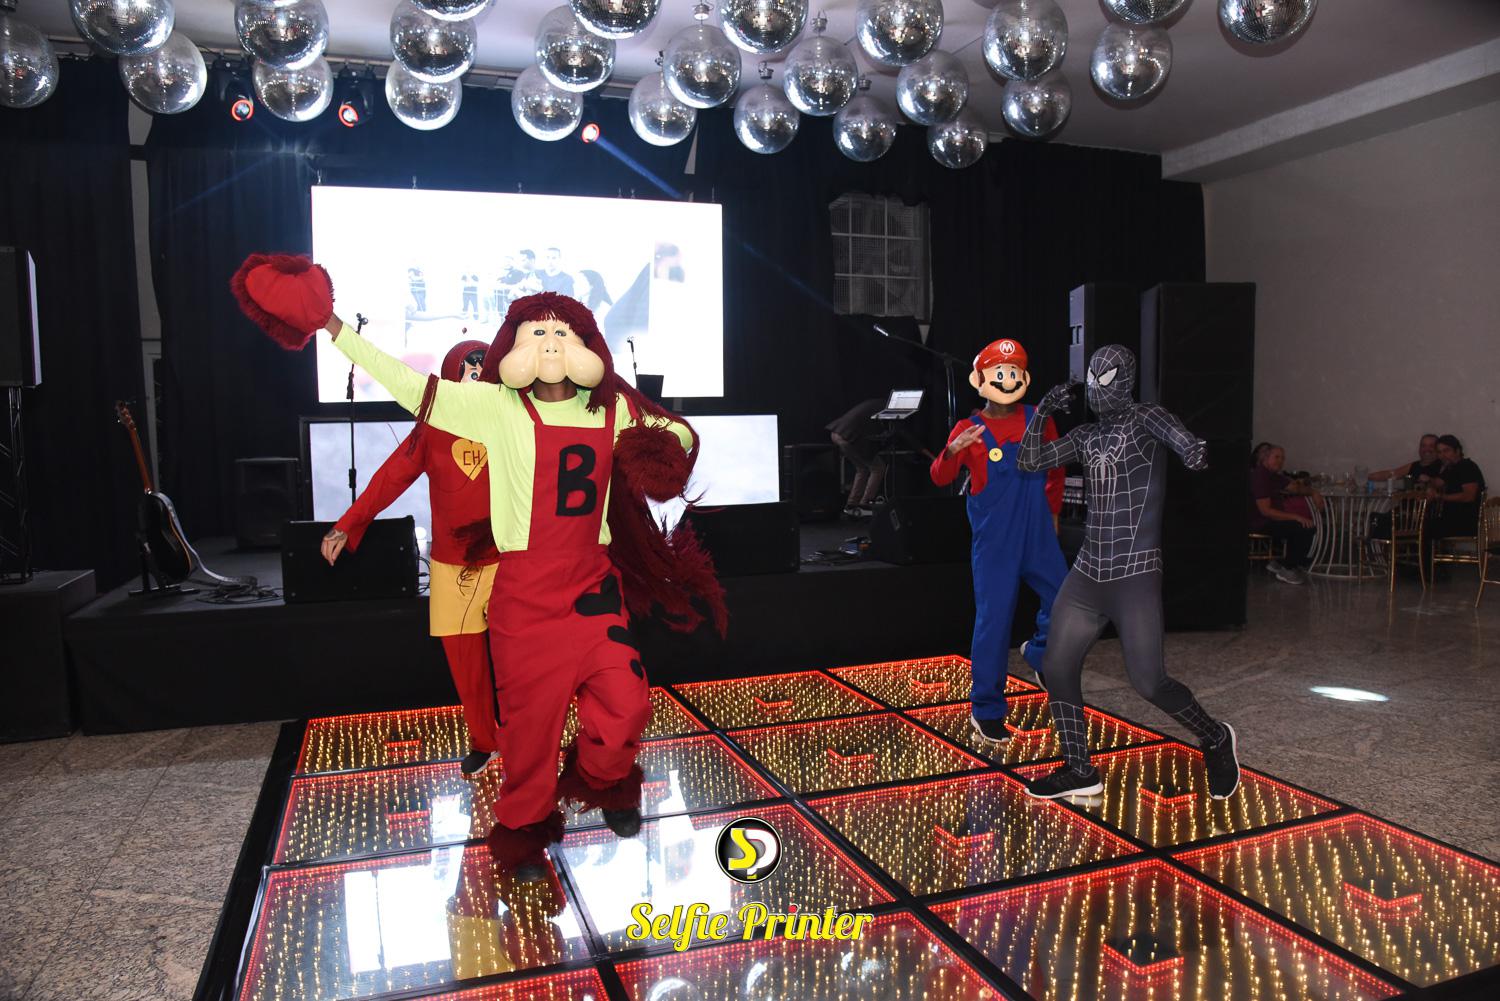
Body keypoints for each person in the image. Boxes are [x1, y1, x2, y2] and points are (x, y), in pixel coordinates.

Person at [231, 256, 725, 884]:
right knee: (529, 734)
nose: (551, 343)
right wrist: (332, 326)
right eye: (537, 332)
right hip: (525, 596)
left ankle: (604, 778)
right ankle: (523, 832)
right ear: (513, 347)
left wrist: (663, 453)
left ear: (586, 345)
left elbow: (679, 433)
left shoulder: (613, 408)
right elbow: (409, 386)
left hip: (593, 587)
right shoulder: (495, 406)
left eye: (563, 332)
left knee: (628, 702)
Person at [1018, 345, 1240, 802]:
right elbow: (1029, 461)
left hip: (1134, 572)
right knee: (1056, 666)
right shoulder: (1085, 435)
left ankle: (1216, 737)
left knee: (1149, 682)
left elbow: (1183, 440)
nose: (1096, 388)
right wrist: (1041, 412)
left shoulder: (1147, 417)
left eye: (1105, 378)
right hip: (1088, 571)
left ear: (1126, 378)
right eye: (1092, 380)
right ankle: (1079, 769)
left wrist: (1194, 451)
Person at [322, 340, 503, 779]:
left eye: (483, 372)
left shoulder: (510, 422)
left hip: (509, 560)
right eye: (469, 371)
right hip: (452, 565)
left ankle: (526, 740)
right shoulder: (431, 428)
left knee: (521, 659)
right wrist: (348, 522)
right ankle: (485, 740)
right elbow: (391, 478)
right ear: (451, 376)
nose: (476, 379)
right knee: (466, 664)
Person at [930, 338, 1066, 742]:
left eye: (1013, 372)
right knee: (994, 621)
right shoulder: (968, 430)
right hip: (995, 543)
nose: (1006, 379)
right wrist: (951, 451)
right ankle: (986, 709)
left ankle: (1039, 653)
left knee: (1067, 601)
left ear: (1023, 377)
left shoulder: (1039, 418)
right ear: (981, 380)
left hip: (1038, 532)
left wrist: (1054, 514)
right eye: (998, 373)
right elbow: (940, 477)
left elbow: (1056, 469)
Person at [1249, 442, 1318, 584]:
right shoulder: (1260, 476)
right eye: (1277, 457)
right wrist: (1296, 517)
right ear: (1265, 458)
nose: (1280, 461)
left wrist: (1313, 492)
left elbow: (1295, 488)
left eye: (1282, 458)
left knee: (1305, 525)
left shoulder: (1273, 475)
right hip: (1260, 522)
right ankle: (1288, 568)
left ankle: (1280, 563)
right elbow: (1265, 511)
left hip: (1271, 520)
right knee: (1305, 527)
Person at [827, 398, 887, 517]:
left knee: (862, 469)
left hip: (837, 433)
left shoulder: (875, 403)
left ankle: (851, 504)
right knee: (878, 468)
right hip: (848, 437)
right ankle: (865, 505)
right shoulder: (886, 409)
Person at [1426, 434, 1486, 540]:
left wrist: (1440, 496)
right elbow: (1437, 483)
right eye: (1439, 452)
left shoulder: (1466, 466)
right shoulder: (1451, 468)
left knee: (1422, 528)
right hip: (1452, 519)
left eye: (1446, 451)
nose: (1442, 455)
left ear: (1457, 451)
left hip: (1465, 521)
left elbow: (1469, 496)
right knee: (1418, 524)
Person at [1368, 434, 1441, 486]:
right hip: (1407, 503)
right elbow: (1392, 474)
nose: (1426, 449)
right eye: (1423, 445)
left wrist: (1430, 480)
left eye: (1431, 446)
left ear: (1437, 449)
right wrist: (1367, 477)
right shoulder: (1414, 466)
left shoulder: (1442, 466)